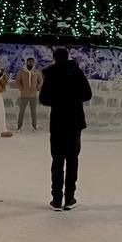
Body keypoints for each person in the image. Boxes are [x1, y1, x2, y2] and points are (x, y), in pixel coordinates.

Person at [38, 46, 92, 211]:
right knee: (72, 159)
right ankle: (69, 198)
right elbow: (87, 94)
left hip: (58, 122)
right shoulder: (77, 73)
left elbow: (44, 99)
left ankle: (56, 199)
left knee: (57, 160)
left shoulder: (51, 75)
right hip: (74, 121)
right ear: (67, 57)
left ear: (55, 58)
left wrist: (58, 100)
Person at [15, 56, 43, 131]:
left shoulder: (37, 72)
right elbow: (18, 81)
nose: (31, 63)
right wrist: (21, 88)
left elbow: (40, 81)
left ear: (34, 63)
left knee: (34, 112)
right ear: (27, 62)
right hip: (24, 95)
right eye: (29, 62)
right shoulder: (22, 71)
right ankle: (19, 126)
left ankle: (34, 126)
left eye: (32, 62)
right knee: (21, 112)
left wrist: (37, 88)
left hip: (33, 95)